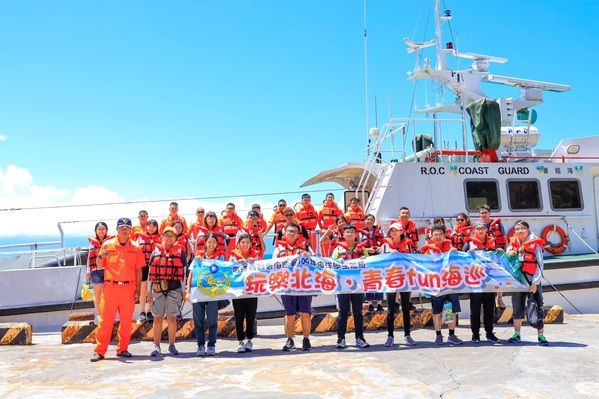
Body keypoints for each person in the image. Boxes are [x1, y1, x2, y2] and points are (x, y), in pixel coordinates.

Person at [90, 218, 145, 362]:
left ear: (131, 230)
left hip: (129, 288)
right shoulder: (107, 245)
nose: (125, 230)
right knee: (105, 321)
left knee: (126, 322)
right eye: (122, 228)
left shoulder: (136, 247)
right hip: (110, 288)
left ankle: (123, 348)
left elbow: (138, 270)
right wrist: (101, 255)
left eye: (127, 228)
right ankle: (100, 351)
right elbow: (99, 264)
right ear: (117, 229)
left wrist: (138, 290)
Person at [506, 220, 549, 346]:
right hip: (518, 281)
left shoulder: (535, 244)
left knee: (537, 306)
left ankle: (541, 336)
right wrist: (510, 253)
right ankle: (517, 334)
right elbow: (507, 257)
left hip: (531, 281)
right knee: (517, 308)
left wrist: (535, 282)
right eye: (517, 229)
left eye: (522, 228)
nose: (519, 231)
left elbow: (540, 264)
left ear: (528, 229)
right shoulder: (512, 243)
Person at [273, 223, 314, 351]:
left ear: (298, 234)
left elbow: (316, 262)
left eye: (294, 231)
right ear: (284, 233)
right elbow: (271, 267)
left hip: (303, 285)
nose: (292, 233)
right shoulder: (278, 249)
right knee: (289, 314)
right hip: (286, 286)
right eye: (289, 231)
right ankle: (290, 339)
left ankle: (306, 339)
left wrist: (309, 256)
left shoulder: (306, 247)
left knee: (305, 313)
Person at [421, 225, 463, 346]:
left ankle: (451, 335)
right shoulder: (428, 251)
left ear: (445, 236)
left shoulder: (451, 249)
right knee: (437, 312)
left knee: (450, 310)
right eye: (435, 234)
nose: (438, 236)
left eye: (440, 234)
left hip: (450, 284)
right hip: (436, 286)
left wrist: (455, 253)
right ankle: (438, 335)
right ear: (431, 236)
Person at [147, 227, 186, 356]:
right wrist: (149, 291)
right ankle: (156, 346)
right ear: (162, 237)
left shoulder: (180, 253)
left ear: (175, 238)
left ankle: (172, 345)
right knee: (157, 318)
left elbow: (183, 274)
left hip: (174, 289)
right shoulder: (155, 253)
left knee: (172, 318)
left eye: (172, 236)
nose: (169, 238)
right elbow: (150, 274)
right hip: (158, 289)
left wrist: (183, 290)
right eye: (166, 235)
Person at [187, 233, 226, 356]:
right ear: (205, 243)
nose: (211, 244)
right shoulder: (198, 258)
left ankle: (211, 345)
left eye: (214, 242)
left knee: (212, 320)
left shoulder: (220, 258)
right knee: (198, 320)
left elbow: (226, 273)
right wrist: (187, 291)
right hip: (198, 293)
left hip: (213, 294)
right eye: (209, 242)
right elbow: (190, 276)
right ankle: (200, 345)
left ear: (217, 244)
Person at [331, 225, 370, 349]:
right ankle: (341, 339)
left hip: (358, 285)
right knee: (343, 313)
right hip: (343, 286)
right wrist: (338, 262)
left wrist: (365, 259)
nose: (349, 234)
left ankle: (360, 338)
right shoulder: (337, 249)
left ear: (356, 234)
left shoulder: (362, 248)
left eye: (352, 232)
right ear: (343, 234)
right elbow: (331, 265)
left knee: (358, 312)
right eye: (347, 232)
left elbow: (369, 263)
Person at [380, 223, 417, 347]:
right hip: (391, 279)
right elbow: (380, 261)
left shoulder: (408, 245)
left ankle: (407, 335)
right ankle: (390, 336)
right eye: (392, 231)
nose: (394, 233)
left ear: (401, 231)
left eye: (396, 230)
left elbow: (413, 260)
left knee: (406, 308)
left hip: (405, 279)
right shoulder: (385, 246)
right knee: (391, 309)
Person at [462, 223, 500, 343]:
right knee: (475, 309)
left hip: (489, 280)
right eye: (478, 228)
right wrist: (468, 252)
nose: (480, 230)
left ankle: (489, 332)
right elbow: (461, 260)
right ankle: (475, 334)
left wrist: (500, 252)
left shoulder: (492, 243)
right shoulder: (468, 244)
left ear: (486, 230)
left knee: (489, 309)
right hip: (475, 281)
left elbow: (498, 259)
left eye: (482, 228)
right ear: (474, 230)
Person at [229, 234, 261, 353]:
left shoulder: (256, 256)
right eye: (243, 242)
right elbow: (229, 271)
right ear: (238, 244)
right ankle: (240, 341)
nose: (245, 244)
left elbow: (261, 271)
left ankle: (249, 340)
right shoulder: (233, 257)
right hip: (238, 292)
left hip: (252, 291)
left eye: (248, 242)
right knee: (239, 317)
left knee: (251, 316)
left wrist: (254, 263)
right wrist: (237, 264)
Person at [478, 204, 507, 307]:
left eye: (485, 212)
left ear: (489, 213)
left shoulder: (498, 225)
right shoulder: (478, 226)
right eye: (481, 213)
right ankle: (486, 301)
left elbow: (504, 238)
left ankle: (499, 298)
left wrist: (505, 252)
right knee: (485, 277)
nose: (483, 215)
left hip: (498, 254)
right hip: (484, 256)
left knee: (499, 277)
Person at [133, 219, 161, 322]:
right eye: (150, 226)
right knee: (143, 289)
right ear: (146, 227)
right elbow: (135, 251)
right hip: (143, 265)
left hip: (154, 266)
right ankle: (142, 311)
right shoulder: (140, 237)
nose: (151, 228)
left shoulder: (160, 238)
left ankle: (149, 311)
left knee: (152, 289)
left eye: (154, 226)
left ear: (157, 228)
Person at [86, 221, 112, 324]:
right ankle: (99, 315)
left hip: (107, 270)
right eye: (99, 229)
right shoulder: (92, 244)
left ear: (106, 230)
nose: (101, 230)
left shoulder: (110, 243)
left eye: (103, 229)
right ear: (95, 231)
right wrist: (88, 271)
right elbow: (89, 258)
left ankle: (107, 314)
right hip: (95, 271)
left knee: (107, 294)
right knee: (97, 293)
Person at [360, 214, 386, 312]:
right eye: (367, 220)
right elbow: (359, 246)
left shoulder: (380, 231)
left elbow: (385, 243)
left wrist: (380, 248)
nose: (369, 221)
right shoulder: (360, 234)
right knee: (369, 280)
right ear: (364, 221)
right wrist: (367, 250)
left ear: (374, 221)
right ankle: (370, 303)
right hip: (367, 259)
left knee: (379, 280)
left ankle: (379, 304)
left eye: (371, 220)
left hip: (378, 259)